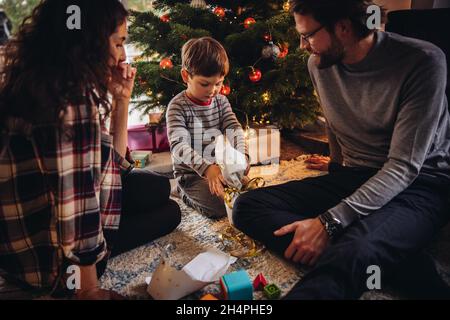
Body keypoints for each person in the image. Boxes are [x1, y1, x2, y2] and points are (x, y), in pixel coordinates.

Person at [233, 0, 450, 299]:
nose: (302, 46)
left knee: (357, 246)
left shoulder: (422, 61)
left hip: (422, 183)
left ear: (344, 27)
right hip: (357, 174)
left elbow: (403, 167)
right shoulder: (319, 65)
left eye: (308, 35)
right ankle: (391, 259)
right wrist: (335, 169)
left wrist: (329, 222)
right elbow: (335, 123)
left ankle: (363, 252)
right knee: (247, 206)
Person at [0, 0, 181, 300]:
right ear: (91, 42)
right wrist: (89, 288)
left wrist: (121, 100)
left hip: (17, 250)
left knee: (158, 188)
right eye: (119, 43)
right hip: (53, 265)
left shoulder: (33, 79)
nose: (123, 55)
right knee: (170, 211)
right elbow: (78, 210)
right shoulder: (72, 102)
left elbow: (113, 165)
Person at [167, 37, 249, 219]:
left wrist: (243, 156)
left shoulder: (221, 101)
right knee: (222, 206)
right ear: (185, 76)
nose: (213, 90)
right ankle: (182, 191)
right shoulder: (177, 107)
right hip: (191, 173)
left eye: (218, 83)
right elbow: (178, 146)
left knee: (246, 192)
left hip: (219, 166)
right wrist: (206, 169)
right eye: (205, 84)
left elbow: (234, 128)